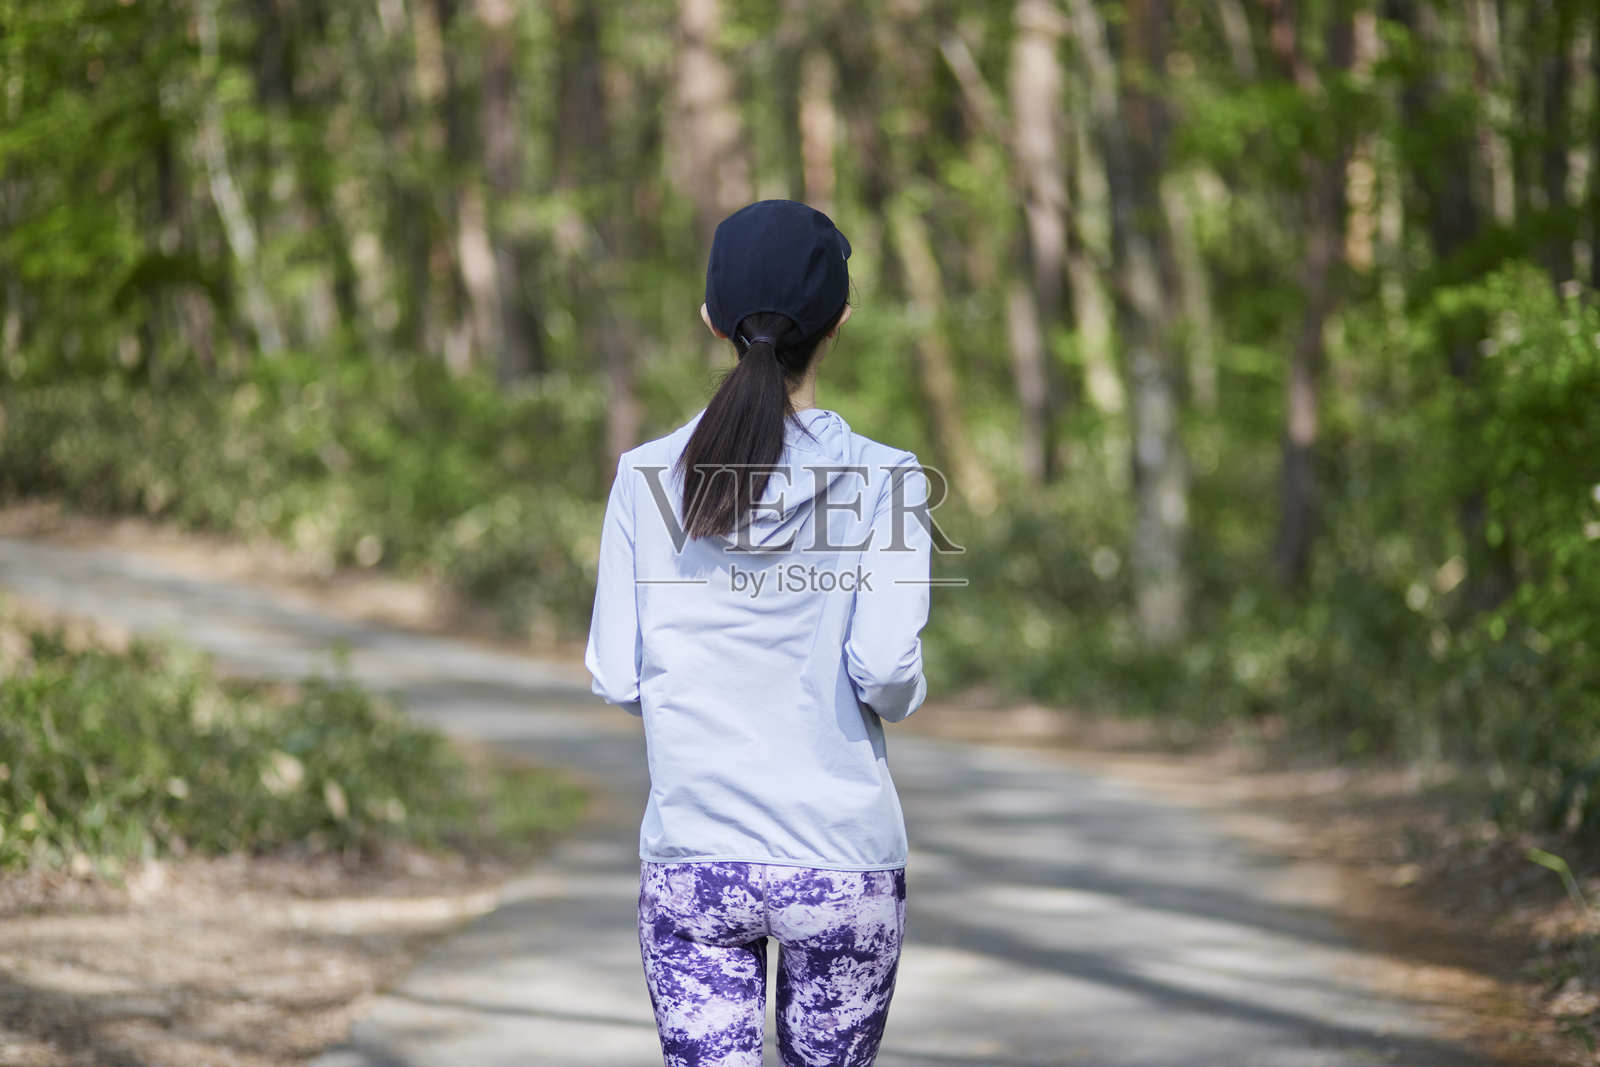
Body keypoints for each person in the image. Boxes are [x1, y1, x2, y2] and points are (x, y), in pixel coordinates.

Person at [583, 198, 934, 1067]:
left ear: (712, 321)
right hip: (842, 862)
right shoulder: (888, 480)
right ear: (839, 323)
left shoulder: (645, 478)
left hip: (694, 860)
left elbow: (618, 676)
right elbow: (885, 668)